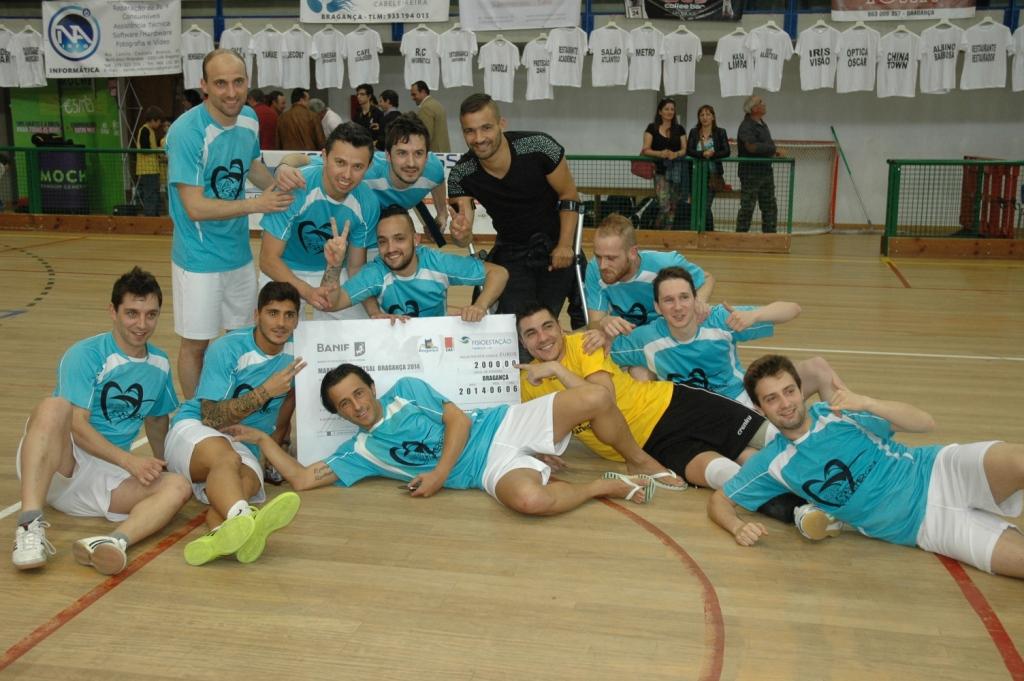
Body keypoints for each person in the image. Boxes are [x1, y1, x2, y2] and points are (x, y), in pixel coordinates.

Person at [710, 354, 1024, 580]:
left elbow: (925, 423)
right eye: (772, 398)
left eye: (789, 391)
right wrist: (737, 527)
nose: (786, 403)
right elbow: (720, 500)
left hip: (940, 472)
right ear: (758, 407)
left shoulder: (837, 413)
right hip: (930, 529)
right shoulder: (773, 464)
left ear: (799, 388)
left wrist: (869, 403)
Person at [223, 365, 659, 514]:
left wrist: (438, 475)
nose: (356, 406)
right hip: (486, 470)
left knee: (596, 396)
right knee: (530, 503)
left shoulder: (407, 391)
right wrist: (263, 441)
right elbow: (300, 479)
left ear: (372, 389)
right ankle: (601, 487)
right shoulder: (359, 451)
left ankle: (637, 460)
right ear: (339, 414)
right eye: (343, 405)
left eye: (358, 393)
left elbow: (460, 423)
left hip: (499, 425)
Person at [12, 268, 191, 576]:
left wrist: (163, 466)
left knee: (178, 486)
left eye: (151, 315)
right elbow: (78, 428)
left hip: (106, 476)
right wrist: (130, 462)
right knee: (55, 407)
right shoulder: (86, 354)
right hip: (58, 462)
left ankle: (111, 543)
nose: (142, 324)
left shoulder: (159, 363)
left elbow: (157, 421)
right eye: (132, 313)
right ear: (113, 311)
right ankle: (29, 526)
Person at [166, 48, 305, 399]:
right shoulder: (187, 132)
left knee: (241, 341)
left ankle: (233, 408)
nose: (231, 92)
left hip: (239, 256)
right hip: (198, 260)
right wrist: (259, 204)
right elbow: (194, 206)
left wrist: (279, 182)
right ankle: (198, 418)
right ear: (204, 86)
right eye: (221, 83)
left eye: (238, 82)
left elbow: (253, 167)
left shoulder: (248, 119)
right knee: (196, 345)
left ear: (248, 82)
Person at [517, 303, 766, 490]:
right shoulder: (528, 383)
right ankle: (797, 508)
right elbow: (528, 430)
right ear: (523, 342)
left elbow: (604, 399)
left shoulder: (584, 343)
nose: (543, 338)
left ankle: (802, 472)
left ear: (560, 328)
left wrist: (558, 370)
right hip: (650, 447)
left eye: (547, 326)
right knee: (729, 472)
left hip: (671, 405)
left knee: (767, 438)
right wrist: (536, 450)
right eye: (531, 333)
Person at [163, 282, 305, 567]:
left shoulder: (298, 350)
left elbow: (287, 407)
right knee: (225, 458)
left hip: (245, 443)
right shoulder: (228, 348)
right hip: (197, 430)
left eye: (289, 315)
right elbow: (211, 416)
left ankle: (220, 533)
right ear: (256, 315)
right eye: (273, 313)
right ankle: (245, 517)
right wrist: (265, 391)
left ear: (297, 320)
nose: (281, 323)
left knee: (246, 484)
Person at [448, 94, 580, 348]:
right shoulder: (462, 173)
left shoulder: (541, 146)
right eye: (470, 131)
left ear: (501, 124)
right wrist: (461, 233)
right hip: (511, 252)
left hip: (555, 248)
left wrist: (565, 245)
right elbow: (462, 230)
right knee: (515, 329)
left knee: (548, 321)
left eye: (486, 127)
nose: (479, 138)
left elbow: (569, 196)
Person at [609, 267, 843, 409]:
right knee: (637, 372)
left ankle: (839, 430)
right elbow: (598, 350)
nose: (678, 307)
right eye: (669, 300)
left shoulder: (718, 320)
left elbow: (793, 309)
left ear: (695, 299)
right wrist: (603, 326)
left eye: (684, 298)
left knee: (818, 368)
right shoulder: (646, 338)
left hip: (742, 402)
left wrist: (755, 315)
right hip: (694, 417)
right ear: (657, 307)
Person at [259, 122, 380, 321]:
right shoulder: (295, 187)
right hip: (284, 270)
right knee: (278, 338)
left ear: (368, 167)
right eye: (340, 162)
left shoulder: (367, 203)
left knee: (353, 338)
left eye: (357, 166)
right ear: (323, 157)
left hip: (335, 271)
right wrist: (308, 292)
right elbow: (268, 260)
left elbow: (355, 267)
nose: (347, 175)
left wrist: (374, 311)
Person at [321, 204, 508, 321]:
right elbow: (331, 303)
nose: (391, 248)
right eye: (382, 241)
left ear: (416, 240)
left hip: (437, 344)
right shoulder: (376, 272)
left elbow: (499, 273)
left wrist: (480, 306)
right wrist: (334, 266)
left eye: (399, 238)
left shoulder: (436, 262)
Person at [584, 215, 712, 345]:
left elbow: (706, 278)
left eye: (611, 258)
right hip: (627, 338)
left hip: (666, 334)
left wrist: (697, 302)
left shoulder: (665, 264)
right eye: (598, 256)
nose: (602, 266)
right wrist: (603, 323)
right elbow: (594, 322)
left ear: (633, 253)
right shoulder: (594, 269)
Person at [641, 98, 689, 230]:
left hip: (677, 172)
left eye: (672, 109)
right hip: (660, 172)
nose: (670, 112)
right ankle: (656, 230)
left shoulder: (679, 129)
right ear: (660, 112)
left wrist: (676, 154)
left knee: (673, 206)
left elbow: (685, 149)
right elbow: (646, 149)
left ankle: (667, 233)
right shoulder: (652, 128)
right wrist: (660, 153)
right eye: (666, 109)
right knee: (664, 205)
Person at [736, 95, 781, 234]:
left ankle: (770, 236)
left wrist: (771, 149)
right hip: (751, 173)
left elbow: (765, 145)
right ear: (754, 108)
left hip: (766, 171)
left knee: (769, 206)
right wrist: (773, 149)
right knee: (748, 206)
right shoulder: (746, 126)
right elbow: (751, 147)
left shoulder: (762, 124)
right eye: (761, 102)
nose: (764, 104)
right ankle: (740, 237)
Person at [686, 104, 730, 232]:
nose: (705, 117)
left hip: (712, 176)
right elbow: (689, 150)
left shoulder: (720, 132)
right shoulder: (694, 132)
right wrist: (702, 154)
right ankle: (696, 231)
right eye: (702, 115)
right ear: (699, 118)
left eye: (708, 114)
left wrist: (713, 154)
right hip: (695, 176)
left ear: (713, 117)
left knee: (705, 206)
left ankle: (708, 231)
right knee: (695, 206)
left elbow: (726, 151)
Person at [136, 106, 165, 216]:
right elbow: (145, 149)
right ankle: (150, 216)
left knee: (154, 193)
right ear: (153, 120)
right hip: (147, 170)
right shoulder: (144, 130)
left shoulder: (150, 131)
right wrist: (158, 150)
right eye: (159, 121)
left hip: (152, 169)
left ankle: (154, 216)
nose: (159, 124)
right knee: (150, 194)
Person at [410, 81, 450, 153]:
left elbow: (425, 136)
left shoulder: (426, 108)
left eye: (414, 94)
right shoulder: (437, 104)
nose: (412, 98)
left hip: (433, 153)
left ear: (423, 92)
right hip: (443, 151)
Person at [353, 83, 385, 151]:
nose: (358, 96)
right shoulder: (357, 114)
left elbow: (382, 134)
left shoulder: (378, 113)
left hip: (374, 149)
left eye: (362, 94)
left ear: (369, 96)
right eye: (357, 94)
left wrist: (375, 143)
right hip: (359, 147)